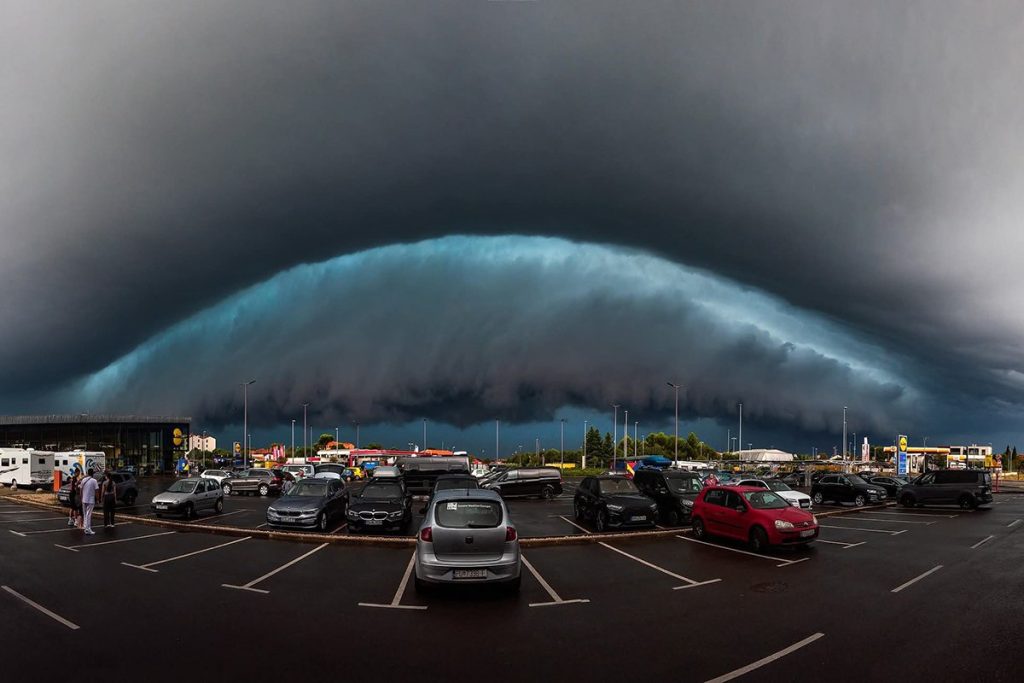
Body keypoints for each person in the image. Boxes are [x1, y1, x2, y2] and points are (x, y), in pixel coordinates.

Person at [79, 469, 99, 535]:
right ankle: (88, 529)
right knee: (89, 514)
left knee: (85, 514)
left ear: (87, 473)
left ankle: (86, 527)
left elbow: (81, 489)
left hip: (84, 499)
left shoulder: (83, 480)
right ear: (93, 474)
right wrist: (98, 499)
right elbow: (96, 491)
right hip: (91, 500)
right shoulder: (94, 481)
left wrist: (81, 497)